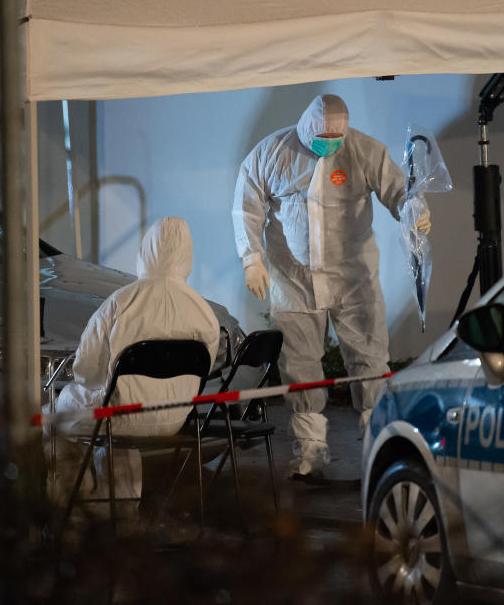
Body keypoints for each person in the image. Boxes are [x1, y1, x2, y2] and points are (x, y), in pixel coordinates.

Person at [232, 94, 431, 480]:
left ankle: (378, 451)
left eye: (335, 135)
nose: (329, 142)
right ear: (307, 127)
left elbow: (398, 190)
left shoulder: (363, 149)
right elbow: (246, 205)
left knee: (370, 361)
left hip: (354, 278)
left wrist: (413, 211)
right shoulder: (272, 152)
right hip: (294, 279)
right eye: (321, 135)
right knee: (300, 365)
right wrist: (250, 259)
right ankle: (310, 454)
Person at [50, 216, 219, 512]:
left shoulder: (120, 302)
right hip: (176, 420)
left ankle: (74, 511)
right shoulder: (204, 311)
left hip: (121, 418)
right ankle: (125, 510)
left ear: (145, 252)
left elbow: (86, 370)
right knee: (118, 410)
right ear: (187, 256)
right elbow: (204, 370)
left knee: (56, 414)